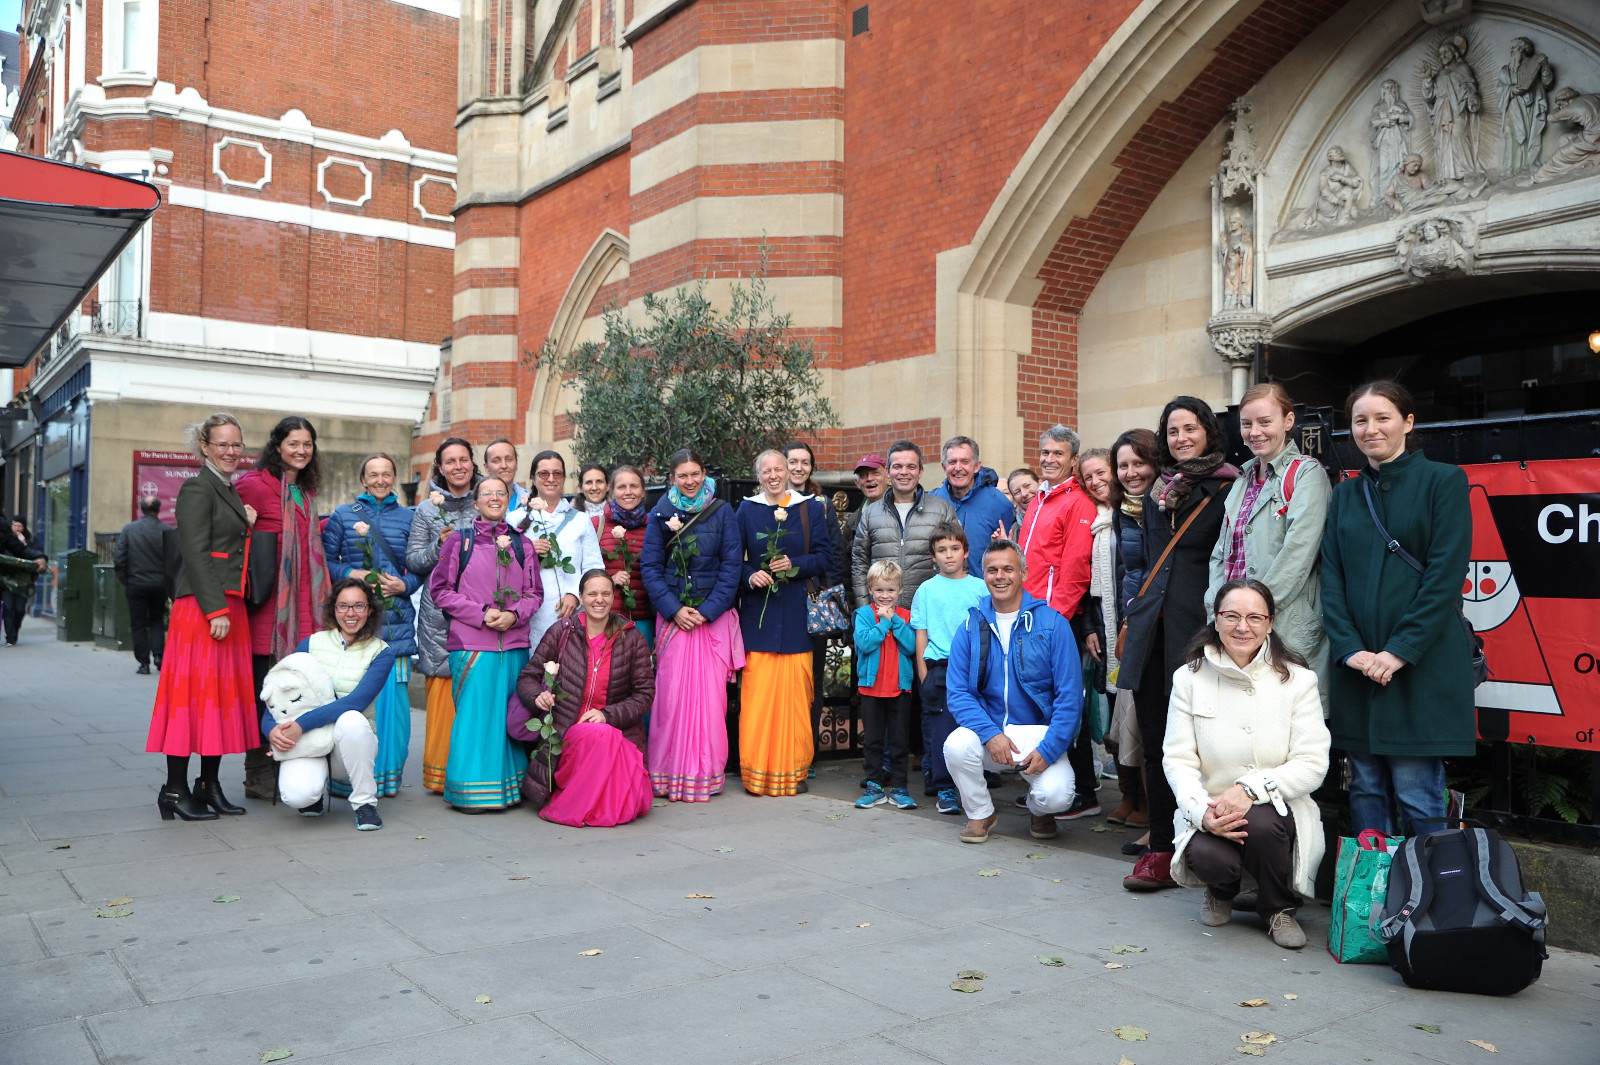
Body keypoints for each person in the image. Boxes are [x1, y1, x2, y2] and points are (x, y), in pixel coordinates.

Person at [1322, 381, 1473, 837]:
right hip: (1358, 669)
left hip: (1420, 666)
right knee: (1364, 787)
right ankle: (1375, 885)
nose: (1370, 429)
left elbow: (1444, 578)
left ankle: (1427, 885)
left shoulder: (1444, 481)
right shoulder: (1346, 494)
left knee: (1417, 792)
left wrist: (1399, 651)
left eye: (1382, 418)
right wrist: (1350, 650)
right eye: (1360, 420)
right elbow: (1332, 577)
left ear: (1408, 422)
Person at [1165, 579, 1330, 950]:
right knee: (1209, 856)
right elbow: (1178, 759)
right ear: (1216, 619)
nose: (1243, 627)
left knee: (1262, 823)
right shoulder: (1189, 678)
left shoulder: (1298, 680)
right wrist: (1201, 812)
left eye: (1255, 617)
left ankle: (1278, 907)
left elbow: (1312, 762)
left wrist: (1250, 789)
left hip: (1277, 807)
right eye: (1232, 616)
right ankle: (1221, 890)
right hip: (1212, 804)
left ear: (1270, 623)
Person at [1118, 397, 1238, 891]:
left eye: (1190, 428)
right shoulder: (1156, 492)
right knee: (1155, 742)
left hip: (1198, 633)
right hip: (1152, 631)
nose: (1181, 438)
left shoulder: (1228, 488)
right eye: (1172, 431)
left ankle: (1203, 848)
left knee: (1203, 747)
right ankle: (1161, 849)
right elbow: (1149, 562)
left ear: (1208, 431)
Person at [145, 413, 258, 821]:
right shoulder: (196, 487)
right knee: (192, 699)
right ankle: (174, 789)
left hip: (229, 605)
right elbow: (194, 551)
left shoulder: (225, 488)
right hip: (206, 608)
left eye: (236, 444)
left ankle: (207, 785)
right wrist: (216, 609)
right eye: (222, 444)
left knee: (219, 700)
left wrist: (245, 520)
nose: (230, 451)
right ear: (205, 447)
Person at [943, 539, 1083, 843]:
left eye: (1008, 569)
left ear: (1024, 573)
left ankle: (1038, 809)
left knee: (1057, 796)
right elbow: (958, 693)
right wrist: (990, 733)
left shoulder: (1053, 624)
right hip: (990, 732)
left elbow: (1070, 696)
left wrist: (1049, 749)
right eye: (992, 570)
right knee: (955, 745)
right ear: (983, 575)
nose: (1000, 576)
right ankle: (981, 812)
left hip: (1036, 734)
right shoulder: (970, 626)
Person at [1207, 383, 1331, 706]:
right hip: (1237, 633)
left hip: (1283, 630)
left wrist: (1253, 616)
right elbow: (1221, 555)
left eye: (1265, 422)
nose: (1255, 432)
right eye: (1247, 424)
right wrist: (1217, 612)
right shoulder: (1242, 479)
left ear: (1288, 421)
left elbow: (1297, 556)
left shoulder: (1306, 475)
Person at [428, 477, 543, 811]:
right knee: (475, 719)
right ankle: (469, 791)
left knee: (510, 719)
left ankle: (509, 790)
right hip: (472, 645)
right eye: (487, 493)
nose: (494, 497)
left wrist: (514, 615)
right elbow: (441, 591)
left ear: (508, 500)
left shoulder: (523, 544)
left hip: (514, 644)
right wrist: (481, 613)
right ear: (475, 503)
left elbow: (534, 594)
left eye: (500, 493)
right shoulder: (459, 542)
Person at [640, 448, 745, 801]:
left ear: (704, 474)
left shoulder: (722, 511)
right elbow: (650, 568)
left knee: (710, 703)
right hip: (675, 621)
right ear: (672, 478)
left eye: (695, 474)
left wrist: (707, 610)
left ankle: (704, 774)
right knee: (670, 700)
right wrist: (675, 610)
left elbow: (731, 567)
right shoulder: (660, 511)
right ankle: (667, 774)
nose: (690, 481)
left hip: (710, 621)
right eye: (682, 475)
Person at [511, 568, 654, 826]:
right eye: (592, 594)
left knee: (606, 742)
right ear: (581, 597)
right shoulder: (562, 632)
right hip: (567, 731)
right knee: (598, 739)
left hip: (617, 732)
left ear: (613, 597)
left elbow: (644, 694)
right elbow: (528, 677)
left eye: (605, 594)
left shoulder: (632, 638)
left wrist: (607, 715)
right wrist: (538, 696)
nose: (599, 600)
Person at [235, 415, 328, 802]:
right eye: (293, 443)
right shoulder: (254, 485)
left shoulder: (304, 491)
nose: (301, 450)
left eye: (307, 444)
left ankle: (286, 768)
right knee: (265, 693)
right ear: (277, 446)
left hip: (305, 611)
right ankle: (257, 772)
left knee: (295, 692)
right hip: (267, 613)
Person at [737, 450, 833, 796]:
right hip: (759, 616)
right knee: (757, 699)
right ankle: (757, 773)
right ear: (758, 475)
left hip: (796, 615)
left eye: (779, 469)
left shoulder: (809, 509)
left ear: (789, 472)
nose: (774, 475)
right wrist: (751, 575)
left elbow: (825, 557)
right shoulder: (746, 510)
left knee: (795, 700)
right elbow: (732, 560)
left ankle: (793, 770)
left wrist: (795, 563)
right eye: (767, 470)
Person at [1016, 423, 1100, 819]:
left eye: (1058, 454)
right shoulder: (1040, 498)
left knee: (1066, 703)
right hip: (1030, 616)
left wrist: (1053, 621)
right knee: (1039, 702)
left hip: (1054, 621)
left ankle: (1083, 791)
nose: (1049, 459)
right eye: (1045, 452)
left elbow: (1076, 570)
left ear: (1073, 459)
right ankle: (1045, 780)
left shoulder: (1077, 502)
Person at [322, 452, 419, 797]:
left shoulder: (409, 517)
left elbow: (420, 567)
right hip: (354, 621)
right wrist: (351, 573)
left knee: (393, 709)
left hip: (395, 623)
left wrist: (404, 585)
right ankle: (346, 778)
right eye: (373, 474)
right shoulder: (343, 515)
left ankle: (386, 779)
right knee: (353, 699)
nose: (380, 480)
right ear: (363, 479)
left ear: (394, 478)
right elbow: (325, 562)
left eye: (386, 474)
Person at [269, 577, 396, 830]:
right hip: (309, 741)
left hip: (348, 745)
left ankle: (364, 804)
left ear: (370, 609)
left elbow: (357, 701)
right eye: (343, 606)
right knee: (297, 796)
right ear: (333, 609)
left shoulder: (381, 651)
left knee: (351, 718)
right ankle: (313, 795)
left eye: (359, 606)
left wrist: (300, 724)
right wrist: (272, 731)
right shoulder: (311, 644)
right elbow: (279, 691)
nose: (351, 613)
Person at [406, 437, 483, 793]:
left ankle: (474, 772)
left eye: (463, 459)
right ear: (440, 467)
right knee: (442, 687)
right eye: (450, 461)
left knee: (478, 690)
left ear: (472, 462)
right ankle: (439, 775)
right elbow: (414, 560)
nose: (458, 466)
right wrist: (439, 545)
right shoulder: (426, 511)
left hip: (482, 609)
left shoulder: (488, 499)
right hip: (439, 614)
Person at [1103, 429, 1161, 843]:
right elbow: (1129, 570)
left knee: (1160, 729)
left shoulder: (1166, 504)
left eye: (1139, 463)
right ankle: (1150, 814)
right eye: (1123, 465)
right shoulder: (1123, 509)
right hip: (1137, 622)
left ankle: (1162, 824)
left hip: (1166, 624)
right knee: (1139, 724)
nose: (1131, 472)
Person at [910, 521, 987, 814]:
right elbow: (921, 634)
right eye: (941, 550)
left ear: (966, 552)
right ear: (933, 556)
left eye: (955, 548)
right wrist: (924, 675)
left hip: (973, 667)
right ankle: (944, 787)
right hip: (939, 667)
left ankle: (973, 785)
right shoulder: (926, 590)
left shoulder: (980, 588)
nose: (949, 554)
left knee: (973, 726)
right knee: (940, 729)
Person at [509, 450, 603, 650]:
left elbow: (593, 567)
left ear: (564, 477)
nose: (551, 479)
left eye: (557, 473)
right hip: (528, 616)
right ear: (533, 478)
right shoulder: (513, 519)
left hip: (570, 613)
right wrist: (525, 551)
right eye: (544, 473)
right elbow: (501, 566)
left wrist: (576, 594)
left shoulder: (580, 520)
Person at [851, 440, 956, 609]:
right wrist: (865, 609)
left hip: (929, 611)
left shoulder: (942, 510)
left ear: (920, 471)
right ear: (888, 471)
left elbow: (958, 561)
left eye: (911, 466)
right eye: (897, 466)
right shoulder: (871, 513)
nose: (904, 472)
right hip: (883, 614)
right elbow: (859, 565)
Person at [852, 560, 916, 810]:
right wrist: (884, 623)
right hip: (871, 689)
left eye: (890, 590)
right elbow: (865, 644)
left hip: (899, 689)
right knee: (873, 741)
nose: (885, 595)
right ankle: (874, 786)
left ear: (900, 590)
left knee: (900, 741)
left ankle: (900, 788)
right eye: (879, 589)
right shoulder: (863, 615)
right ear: (870, 589)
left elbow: (910, 646)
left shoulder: (906, 616)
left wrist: (895, 621)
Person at [931, 435, 1014, 576]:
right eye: (952, 462)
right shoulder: (933, 502)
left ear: (977, 466)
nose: (958, 468)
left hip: (983, 587)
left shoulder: (999, 504)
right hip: (941, 586)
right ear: (944, 466)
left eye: (965, 461)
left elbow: (1011, 554)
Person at [591, 464, 654, 647]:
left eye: (634, 486)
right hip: (606, 618)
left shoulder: (654, 527)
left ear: (643, 491)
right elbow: (584, 572)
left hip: (644, 618)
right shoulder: (596, 525)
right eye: (621, 487)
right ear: (611, 492)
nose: (628, 492)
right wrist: (609, 580)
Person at [114, 495, 171, 674]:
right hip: (160, 584)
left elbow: (119, 557)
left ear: (142, 509)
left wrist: (125, 579)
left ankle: (143, 662)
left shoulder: (130, 529)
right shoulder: (167, 530)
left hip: (136, 583)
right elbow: (173, 560)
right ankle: (159, 656)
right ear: (158, 509)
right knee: (157, 620)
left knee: (138, 624)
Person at [783, 440, 847, 588]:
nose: (799, 468)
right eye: (793, 462)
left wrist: (827, 587)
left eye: (805, 463)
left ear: (811, 468)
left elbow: (836, 552)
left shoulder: (822, 504)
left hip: (813, 588)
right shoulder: (770, 501)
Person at [841, 453, 887, 609]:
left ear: (887, 476)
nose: (869, 478)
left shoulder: (904, 511)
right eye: (863, 475)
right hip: (868, 606)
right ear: (857, 483)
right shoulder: (852, 523)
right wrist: (857, 608)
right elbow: (847, 573)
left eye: (875, 473)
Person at [0, 513, 48, 646]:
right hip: (6, 580)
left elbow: (24, 551)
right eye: (15, 525)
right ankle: (10, 638)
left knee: (19, 609)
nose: (17, 528)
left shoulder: (28, 538)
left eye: (20, 526)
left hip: (22, 580)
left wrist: (40, 557)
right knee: (9, 607)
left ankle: (14, 632)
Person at [483, 438, 530, 512]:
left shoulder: (531, 500)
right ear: (486, 468)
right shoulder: (478, 503)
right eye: (496, 461)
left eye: (509, 459)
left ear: (516, 464)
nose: (504, 466)